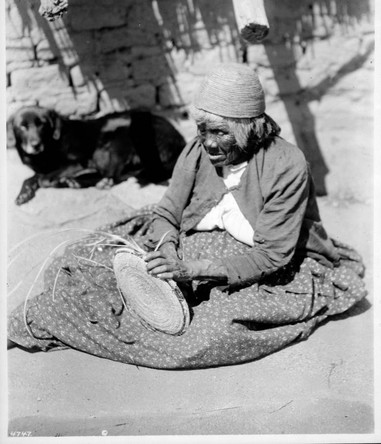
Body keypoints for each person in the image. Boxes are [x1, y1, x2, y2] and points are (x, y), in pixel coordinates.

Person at [8, 63, 367, 369]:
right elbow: (167, 211)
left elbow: (272, 256)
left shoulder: (286, 166)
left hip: (266, 262)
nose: (208, 143)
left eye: (221, 132)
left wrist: (192, 270)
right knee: (83, 262)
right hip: (196, 237)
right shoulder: (198, 150)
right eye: (202, 130)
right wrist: (166, 245)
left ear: (249, 127)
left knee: (202, 334)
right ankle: (41, 321)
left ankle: (87, 328)